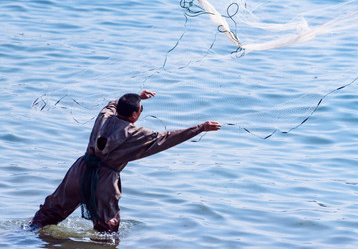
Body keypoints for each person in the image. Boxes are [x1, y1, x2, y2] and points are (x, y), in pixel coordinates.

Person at [29, 90, 221, 232]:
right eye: (140, 109)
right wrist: (200, 127)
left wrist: (137, 96)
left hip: (79, 170)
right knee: (108, 228)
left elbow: (112, 105)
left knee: (50, 212)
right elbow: (167, 138)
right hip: (105, 180)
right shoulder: (136, 133)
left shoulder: (104, 116)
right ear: (134, 115)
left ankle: (25, 236)